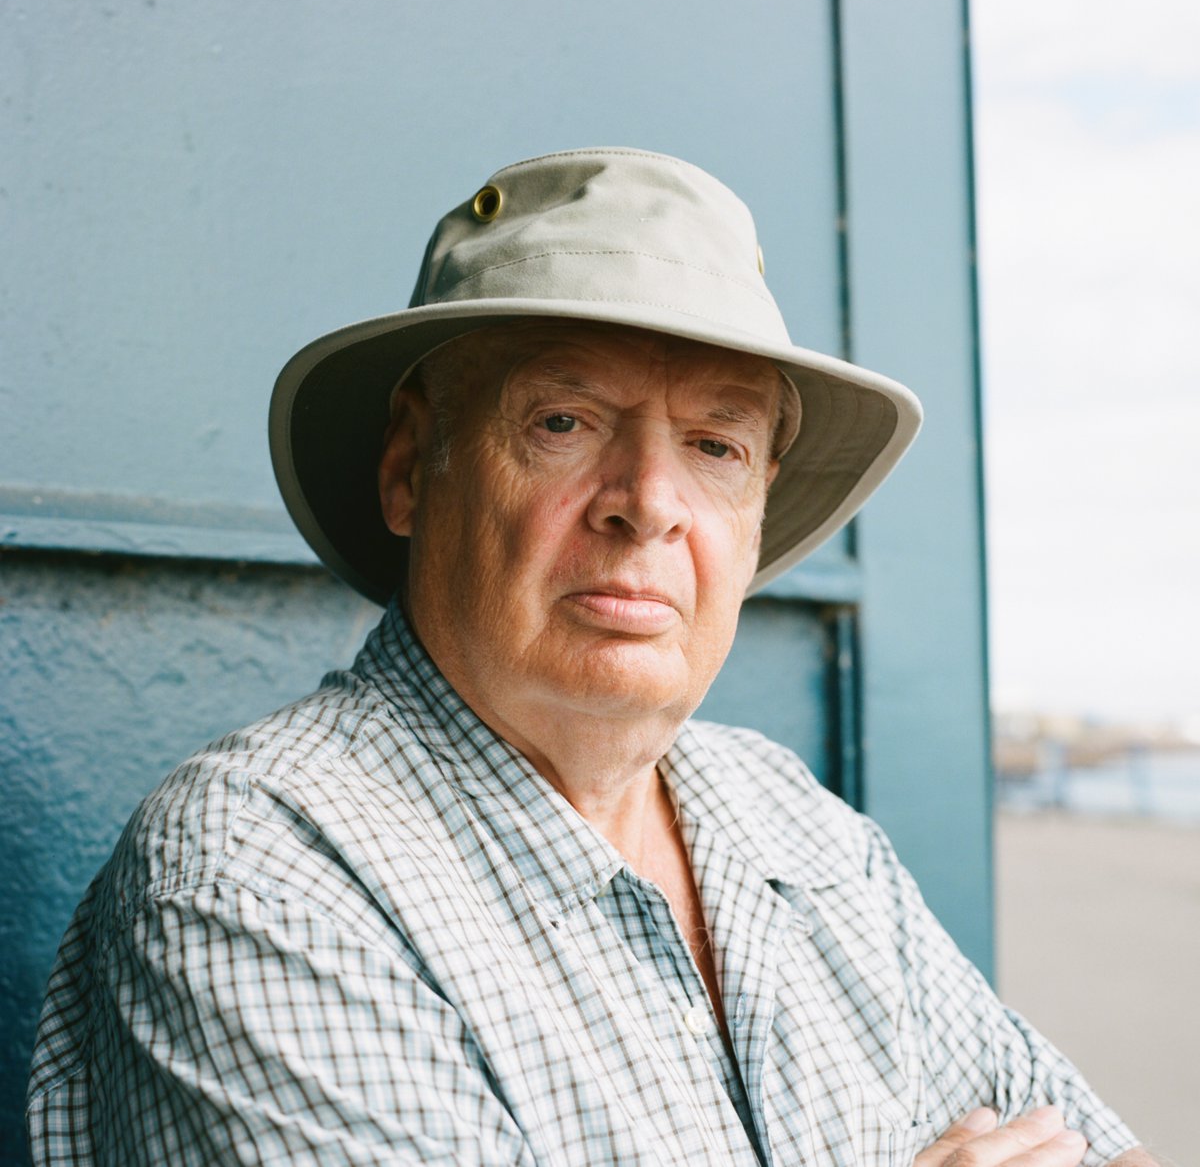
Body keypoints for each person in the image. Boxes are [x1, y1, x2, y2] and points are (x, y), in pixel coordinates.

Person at [27, 148, 1156, 1166]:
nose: (650, 505)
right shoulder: (260, 870)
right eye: (563, 421)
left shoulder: (796, 830)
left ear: (755, 512)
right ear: (414, 467)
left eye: (715, 445)